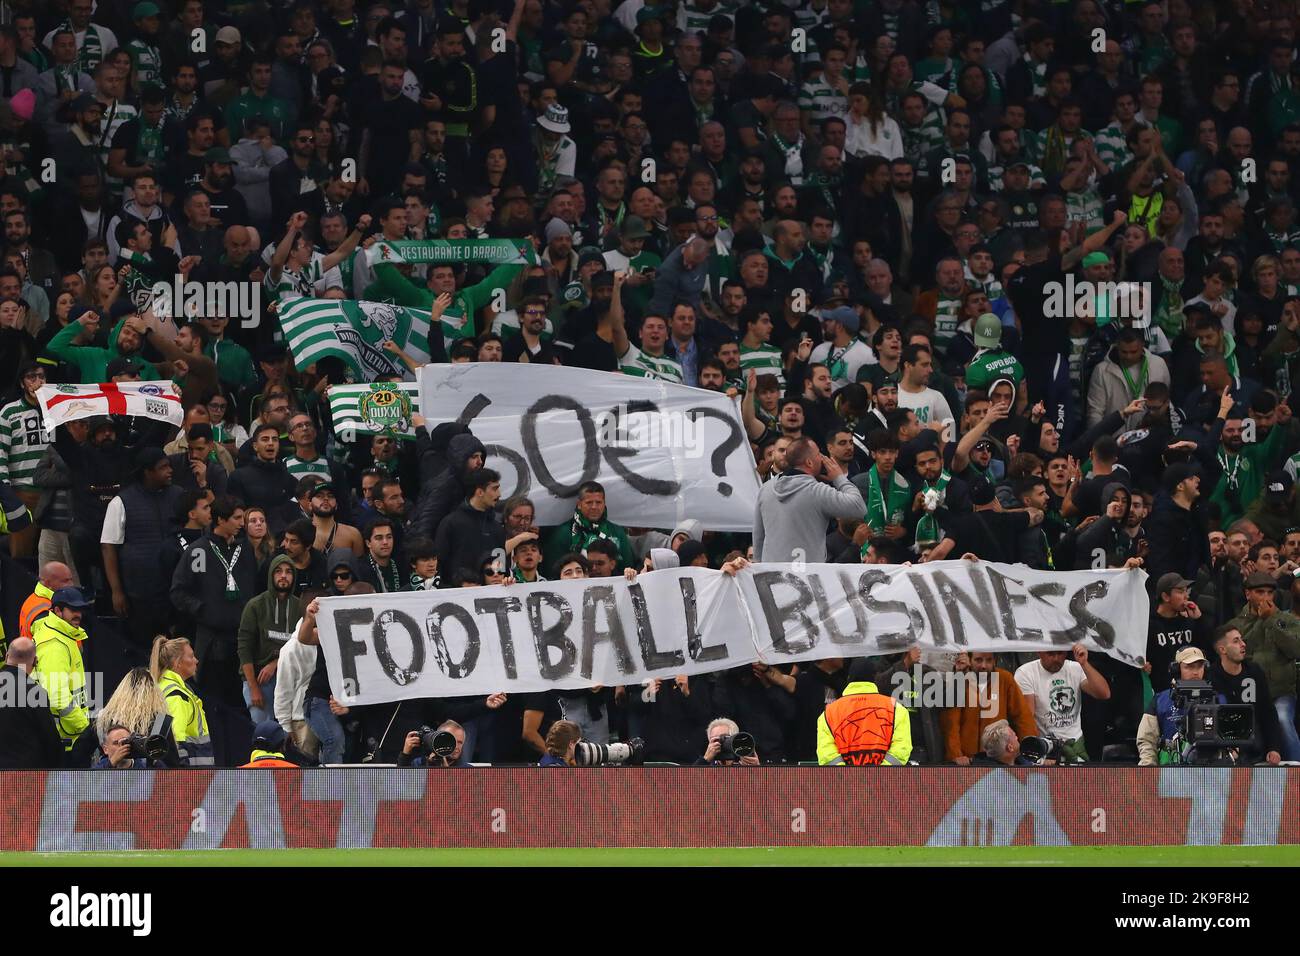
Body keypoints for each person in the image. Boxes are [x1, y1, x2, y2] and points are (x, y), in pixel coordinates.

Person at [169, 494, 258, 709]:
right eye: (236, 518)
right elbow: (178, 592)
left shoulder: (244, 549)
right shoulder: (199, 550)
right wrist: (202, 610)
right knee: (216, 702)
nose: (241, 523)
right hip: (213, 641)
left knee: (244, 702)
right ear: (221, 520)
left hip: (244, 640)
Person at [754, 436, 865, 563]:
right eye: (818, 454)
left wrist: (759, 567)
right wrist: (839, 477)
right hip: (806, 577)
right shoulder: (817, 492)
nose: (823, 458)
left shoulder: (766, 489)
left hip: (771, 574)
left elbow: (758, 537)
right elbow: (859, 507)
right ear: (809, 462)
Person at [1226, 570, 1300, 761]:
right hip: (1249, 694)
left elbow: (1295, 650)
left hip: (1281, 692)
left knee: (1282, 719)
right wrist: (1261, 621)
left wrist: (1273, 620)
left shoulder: (1288, 620)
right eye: (1260, 592)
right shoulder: (1237, 624)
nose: (1266, 597)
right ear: (1248, 593)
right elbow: (1243, 652)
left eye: (1269, 592)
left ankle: (1295, 769)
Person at [1013, 645, 1111, 762]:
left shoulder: (1075, 668)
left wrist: (1084, 664)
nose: (1056, 658)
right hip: (1046, 747)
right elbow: (1028, 717)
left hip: (1075, 745)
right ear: (1039, 651)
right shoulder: (1025, 672)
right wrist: (1039, 756)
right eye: (1050, 654)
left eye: (1060, 653)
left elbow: (1104, 693)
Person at [237, 554, 302, 724]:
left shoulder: (300, 607)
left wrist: (275, 663)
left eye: (288, 572)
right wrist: (253, 688)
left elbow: (302, 645)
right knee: (262, 734)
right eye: (278, 571)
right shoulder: (255, 605)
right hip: (259, 679)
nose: (283, 576)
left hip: (290, 680)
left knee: (288, 737)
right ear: (271, 575)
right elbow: (244, 648)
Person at [1136, 646, 1228, 765]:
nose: (1195, 672)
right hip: (1170, 768)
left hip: (1211, 770)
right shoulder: (1160, 700)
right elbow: (1146, 739)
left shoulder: (1218, 700)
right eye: (1189, 666)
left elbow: (1231, 737)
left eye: (1199, 666)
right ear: (1177, 669)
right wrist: (1149, 770)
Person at [31, 587, 92, 760]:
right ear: (57, 611)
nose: (78, 614)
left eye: (80, 610)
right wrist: (84, 727)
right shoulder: (54, 644)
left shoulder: (64, 635)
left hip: (68, 735)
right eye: (73, 609)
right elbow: (58, 696)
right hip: (65, 739)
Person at [1208, 624, 1283, 765]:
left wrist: (1274, 748)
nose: (1243, 644)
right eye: (1236, 641)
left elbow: (1268, 712)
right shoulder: (1211, 677)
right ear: (1222, 649)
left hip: (1257, 746)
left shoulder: (1254, 672)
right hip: (1226, 751)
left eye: (1242, 640)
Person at [816, 658, 913, 765]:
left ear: (849, 678)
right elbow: (901, 748)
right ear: (874, 678)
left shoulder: (828, 713)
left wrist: (845, 778)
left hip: (844, 780)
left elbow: (827, 753)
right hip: (884, 780)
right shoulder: (896, 709)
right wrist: (881, 775)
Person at [0, 638, 64, 769]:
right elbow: (50, 739)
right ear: (35, 661)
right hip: (25, 775)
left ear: (7, 656)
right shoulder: (34, 692)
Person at [18, 561, 73, 639]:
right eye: (65, 581)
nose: (71, 585)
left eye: (71, 580)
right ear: (48, 583)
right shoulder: (46, 614)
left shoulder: (32, 599)